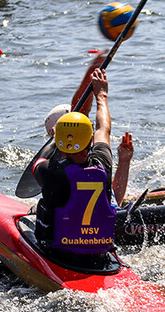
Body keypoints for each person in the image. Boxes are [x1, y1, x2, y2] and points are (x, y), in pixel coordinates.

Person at [33, 69, 117, 261]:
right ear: (90, 141)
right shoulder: (103, 164)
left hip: (60, 254)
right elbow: (103, 128)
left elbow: (37, 163)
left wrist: (56, 139)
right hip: (98, 253)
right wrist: (102, 97)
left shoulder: (50, 172)